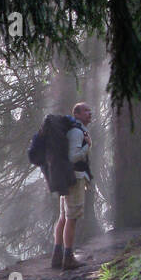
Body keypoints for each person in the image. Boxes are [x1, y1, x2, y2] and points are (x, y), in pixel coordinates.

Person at [52, 102, 93, 271]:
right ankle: (68, 257)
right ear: (76, 114)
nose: (90, 113)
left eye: (90, 110)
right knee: (71, 218)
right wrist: (88, 146)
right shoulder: (77, 132)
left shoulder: (74, 130)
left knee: (63, 217)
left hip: (67, 178)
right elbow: (74, 156)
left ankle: (57, 256)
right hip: (74, 179)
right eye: (86, 111)